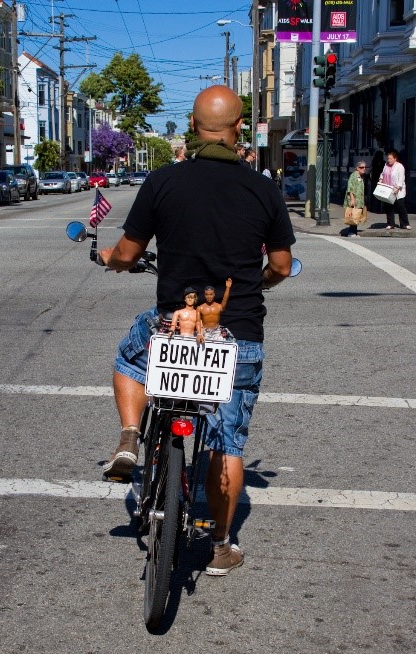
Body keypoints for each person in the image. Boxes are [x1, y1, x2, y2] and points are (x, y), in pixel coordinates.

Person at [99, 85, 295, 576]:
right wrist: (263, 279)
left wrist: (112, 261)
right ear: (238, 127)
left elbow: (127, 251)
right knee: (227, 442)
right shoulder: (263, 188)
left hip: (174, 328)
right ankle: (221, 546)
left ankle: (128, 434)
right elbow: (281, 265)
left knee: (130, 358)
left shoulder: (163, 181)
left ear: (192, 123)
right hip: (238, 334)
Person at [378, 149, 411, 230]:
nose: (388, 160)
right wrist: (380, 180)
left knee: (400, 206)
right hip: (387, 189)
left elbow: (401, 178)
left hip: (398, 190)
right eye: (388, 158)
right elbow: (383, 174)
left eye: (390, 158)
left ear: (395, 158)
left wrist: (398, 188)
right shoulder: (386, 165)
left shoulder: (400, 166)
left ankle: (404, 224)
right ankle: (390, 223)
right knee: (389, 207)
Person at [343, 161, 367, 237]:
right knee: (353, 215)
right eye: (361, 167)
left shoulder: (360, 176)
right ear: (357, 168)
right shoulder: (353, 176)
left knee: (356, 215)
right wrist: (352, 199)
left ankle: (354, 232)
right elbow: (350, 188)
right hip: (354, 199)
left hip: (359, 200)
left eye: (364, 167)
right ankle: (351, 232)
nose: (363, 169)